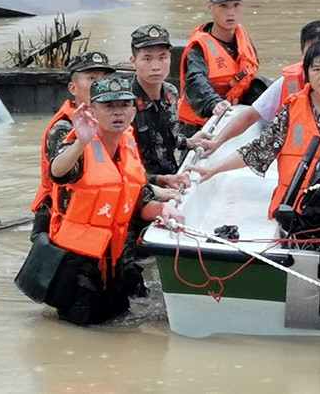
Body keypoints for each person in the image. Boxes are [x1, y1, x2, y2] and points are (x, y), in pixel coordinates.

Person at [43, 77, 184, 325]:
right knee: (82, 331)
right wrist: (81, 142)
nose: (117, 112)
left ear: (133, 111)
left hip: (116, 259)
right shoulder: (80, 146)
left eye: (124, 105)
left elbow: (138, 199)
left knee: (122, 324)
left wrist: (164, 209)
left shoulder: (128, 145)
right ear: (93, 111)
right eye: (108, 106)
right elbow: (58, 172)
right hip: (78, 264)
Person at [187, 42, 320, 219]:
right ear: (306, 74)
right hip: (301, 209)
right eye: (316, 69)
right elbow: (258, 150)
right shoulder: (292, 110)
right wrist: (213, 169)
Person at [196, 20, 320, 157]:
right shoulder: (287, 84)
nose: (317, 60)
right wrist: (217, 142)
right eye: (311, 54)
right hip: (300, 163)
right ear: (301, 53)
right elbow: (251, 119)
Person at [28, 51, 115, 241]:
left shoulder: (115, 123)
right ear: (73, 88)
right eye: (92, 78)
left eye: (105, 79)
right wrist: (80, 143)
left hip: (100, 215)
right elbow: (61, 174)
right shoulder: (63, 129)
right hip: (62, 224)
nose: (100, 85)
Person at [178, 0, 264, 137]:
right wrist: (214, 103)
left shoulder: (243, 38)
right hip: (200, 125)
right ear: (210, 7)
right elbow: (196, 82)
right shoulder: (199, 47)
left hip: (234, 118)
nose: (231, 13)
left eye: (236, 5)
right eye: (223, 6)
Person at [128, 23, 205, 180]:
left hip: (172, 175)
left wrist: (188, 142)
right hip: (141, 183)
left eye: (162, 57)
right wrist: (159, 181)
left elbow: (164, 137)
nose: (156, 66)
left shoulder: (171, 92)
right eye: (147, 59)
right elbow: (119, 159)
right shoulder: (124, 103)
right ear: (133, 61)